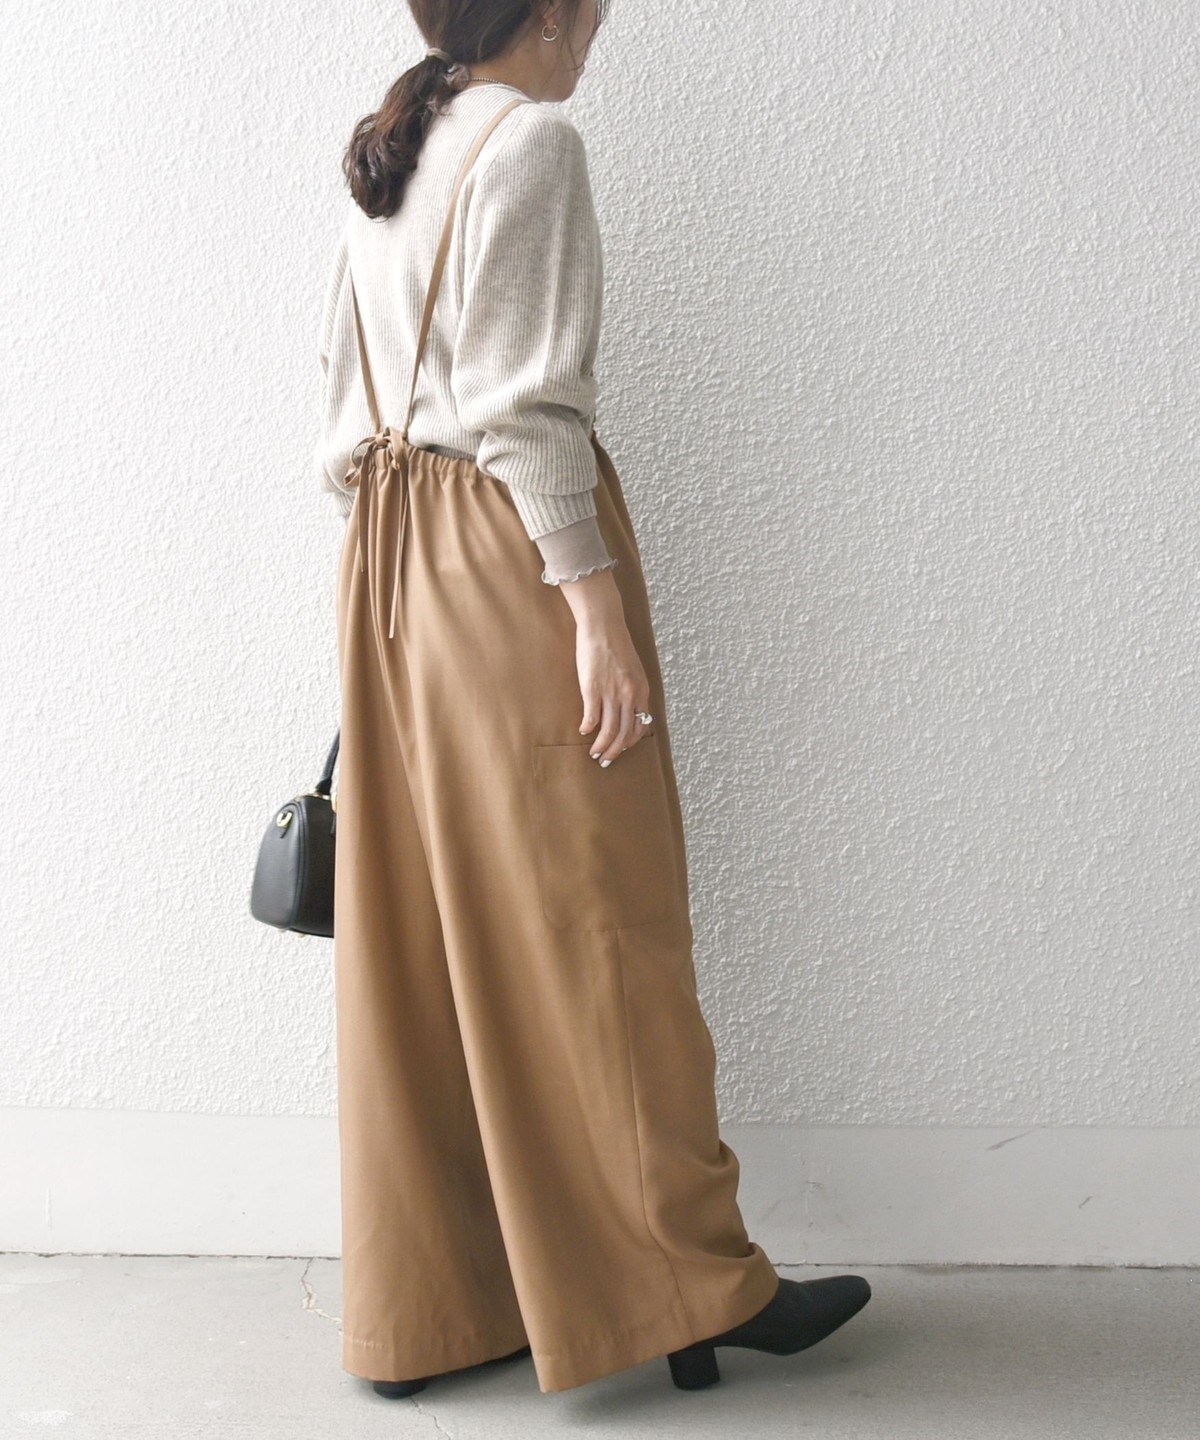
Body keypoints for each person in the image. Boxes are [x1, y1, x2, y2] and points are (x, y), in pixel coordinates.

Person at [313, 0, 871, 1399]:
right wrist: (594, 608)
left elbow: (337, 412)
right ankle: (686, 1289)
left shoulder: (398, 144)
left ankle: (434, 1311)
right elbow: (525, 408)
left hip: (384, 561)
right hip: (505, 554)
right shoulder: (528, 145)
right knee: (598, 922)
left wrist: (403, 560)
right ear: (553, 10)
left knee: (422, 941)